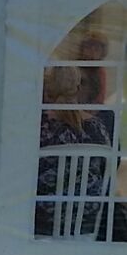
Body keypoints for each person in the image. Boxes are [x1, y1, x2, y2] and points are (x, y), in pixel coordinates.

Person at [34, 66, 113, 238]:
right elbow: (107, 170)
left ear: (47, 89)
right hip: (87, 222)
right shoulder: (97, 127)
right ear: (78, 88)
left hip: (42, 222)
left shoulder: (37, 127)